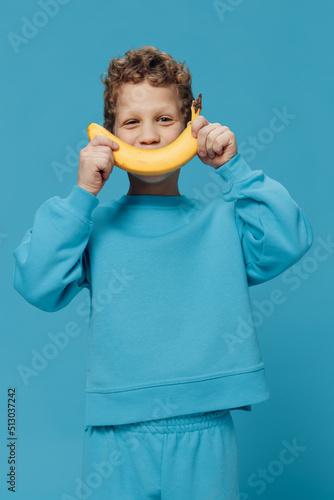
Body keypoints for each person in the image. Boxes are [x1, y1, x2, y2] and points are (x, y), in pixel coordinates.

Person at [12, 46, 313, 499]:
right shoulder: (91, 226)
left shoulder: (225, 222)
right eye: (131, 122)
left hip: (206, 429)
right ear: (109, 134)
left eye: (165, 119)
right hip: (116, 434)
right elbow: (37, 283)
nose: (149, 136)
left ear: (191, 122)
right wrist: (81, 196)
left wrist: (236, 170)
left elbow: (289, 239)